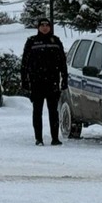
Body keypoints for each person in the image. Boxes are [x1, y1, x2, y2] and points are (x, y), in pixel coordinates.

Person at [21, 17, 69, 146]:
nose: (44, 27)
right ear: (38, 27)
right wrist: (24, 80)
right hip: (36, 82)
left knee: (53, 111)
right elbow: (25, 62)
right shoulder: (32, 42)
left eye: (47, 25)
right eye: (42, 25)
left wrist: (64, 79)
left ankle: (55, 138)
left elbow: (63, 62)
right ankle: (39, 139)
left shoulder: (56, 41)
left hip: (52, 82)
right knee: (37, 111)